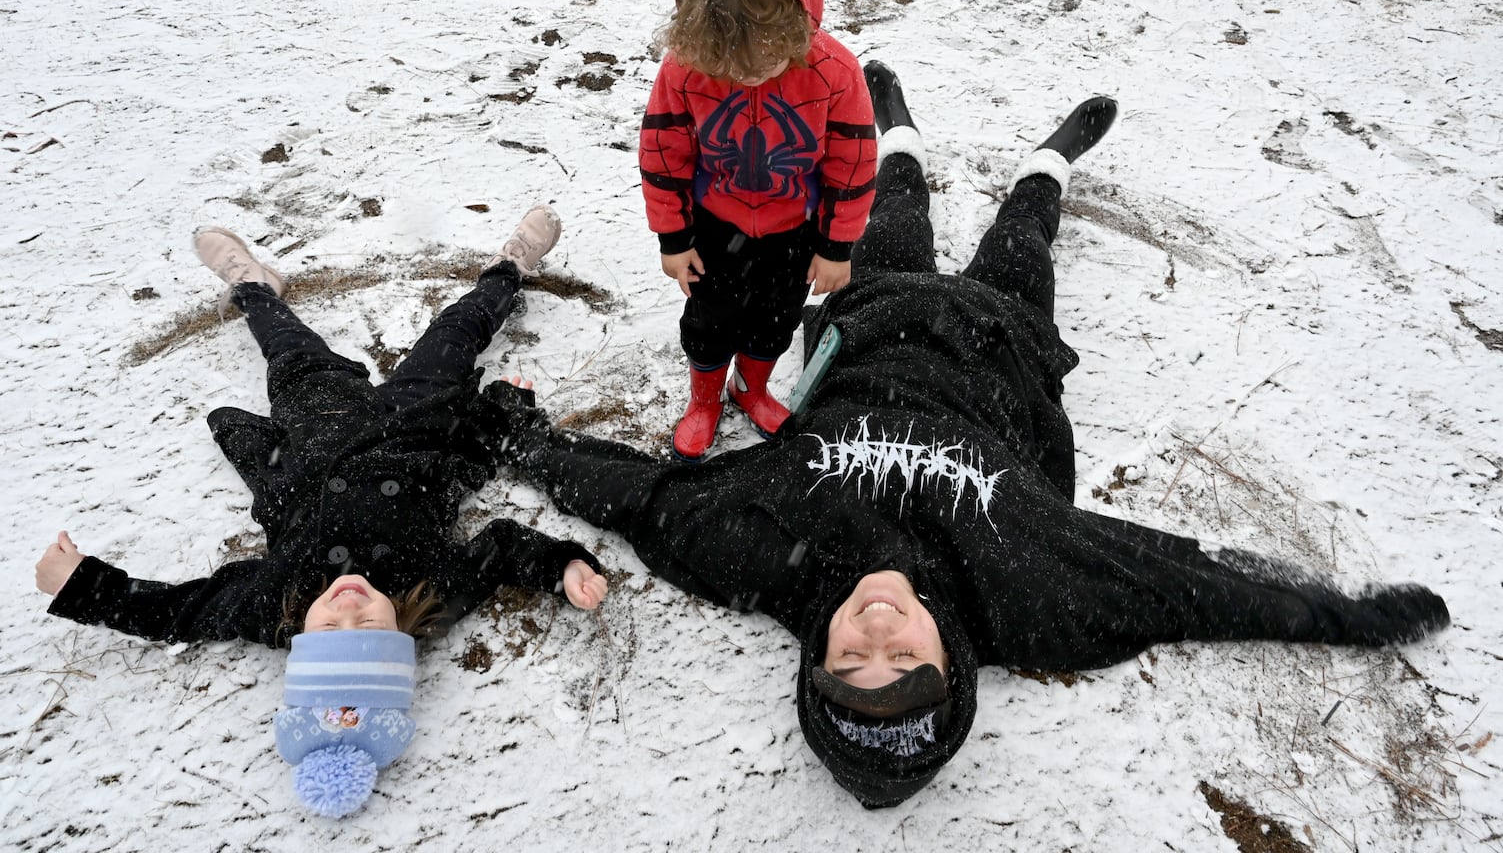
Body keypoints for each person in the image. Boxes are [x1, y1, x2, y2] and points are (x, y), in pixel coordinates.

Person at [479, 67, 1451, 808]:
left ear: (816, 660)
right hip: (995, 336)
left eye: (848, 666)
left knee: (895, 203)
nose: (874, 635)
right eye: (907, 666)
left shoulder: (758, 548)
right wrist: (1349, 616)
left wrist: (517, 437)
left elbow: (638, 495)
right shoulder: (1032, 595)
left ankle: (895, 121)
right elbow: (1193, 586)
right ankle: (1052, 160)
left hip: (870, 319)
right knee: (1027, 230)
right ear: (952, 665)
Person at [34, 206, 609, 816]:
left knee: (291, 352)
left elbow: (184, 611)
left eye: (330, 629)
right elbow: (502, 547)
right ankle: (510, 266)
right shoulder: (432, 595)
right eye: (370, 628)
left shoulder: (272, 604)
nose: (350, 607)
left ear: (300, 638)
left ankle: (254, 287)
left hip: (319, 439)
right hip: (413, 437)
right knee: (454, 337)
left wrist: (82, 588)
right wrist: (562, 566)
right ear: (402, 639)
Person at [641, 0, 878, 461]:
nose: (745, 78)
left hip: (794, 233)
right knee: (708, 319)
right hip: (712, 230)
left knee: (775, 322)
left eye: (764, 62)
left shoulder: (835, 74)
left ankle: (752, 388)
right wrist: (673, 238)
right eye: (728, 66)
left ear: (800, 20)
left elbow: (853, 162)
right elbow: (663, 150)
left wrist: (836, 247)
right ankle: (705, 399)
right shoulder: (685, 67)